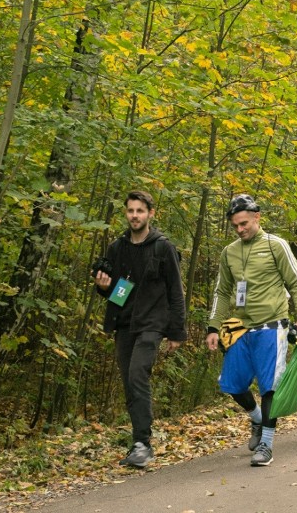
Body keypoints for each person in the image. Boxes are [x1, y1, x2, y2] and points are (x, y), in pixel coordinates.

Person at [205, 194, 297, 467]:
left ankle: (266, 444)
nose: (240, 229)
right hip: (240, 329)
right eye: (235, 226)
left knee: (269, 386)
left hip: (272, 326)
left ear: (257, 217)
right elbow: (222, 290)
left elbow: (296, 283)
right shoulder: (229, 252)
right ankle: (257, 419)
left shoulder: (276, 245)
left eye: (244, 224)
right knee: (231, 383)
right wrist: (213, 326)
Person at [94, 190, 186, 467]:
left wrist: (177, 331)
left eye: (140, 211)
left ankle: (142, 444)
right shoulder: (117, 247)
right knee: (129, 382)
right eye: (130, 211)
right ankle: (139, 443)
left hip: (152, 324)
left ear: (150, 214)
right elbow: (115, 293)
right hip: (124, 323)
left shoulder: (163, 247)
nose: (134, 215)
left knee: (137, 376)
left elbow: (176, 291)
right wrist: (104, 287)